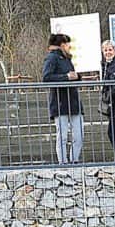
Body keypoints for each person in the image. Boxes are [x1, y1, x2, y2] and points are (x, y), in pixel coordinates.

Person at [42, 33, 83, 164]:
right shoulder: (52, 58)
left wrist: (77, 77)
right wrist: (66, 77)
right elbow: (46, 78)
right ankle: (63, 162)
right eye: (66, 43)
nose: (69, 46)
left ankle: (74, 160)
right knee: (63, 136)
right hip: (60, 103)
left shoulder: (66, 59)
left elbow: (71, 77)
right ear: (61, 45)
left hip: (73, 102)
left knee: (79, 134)